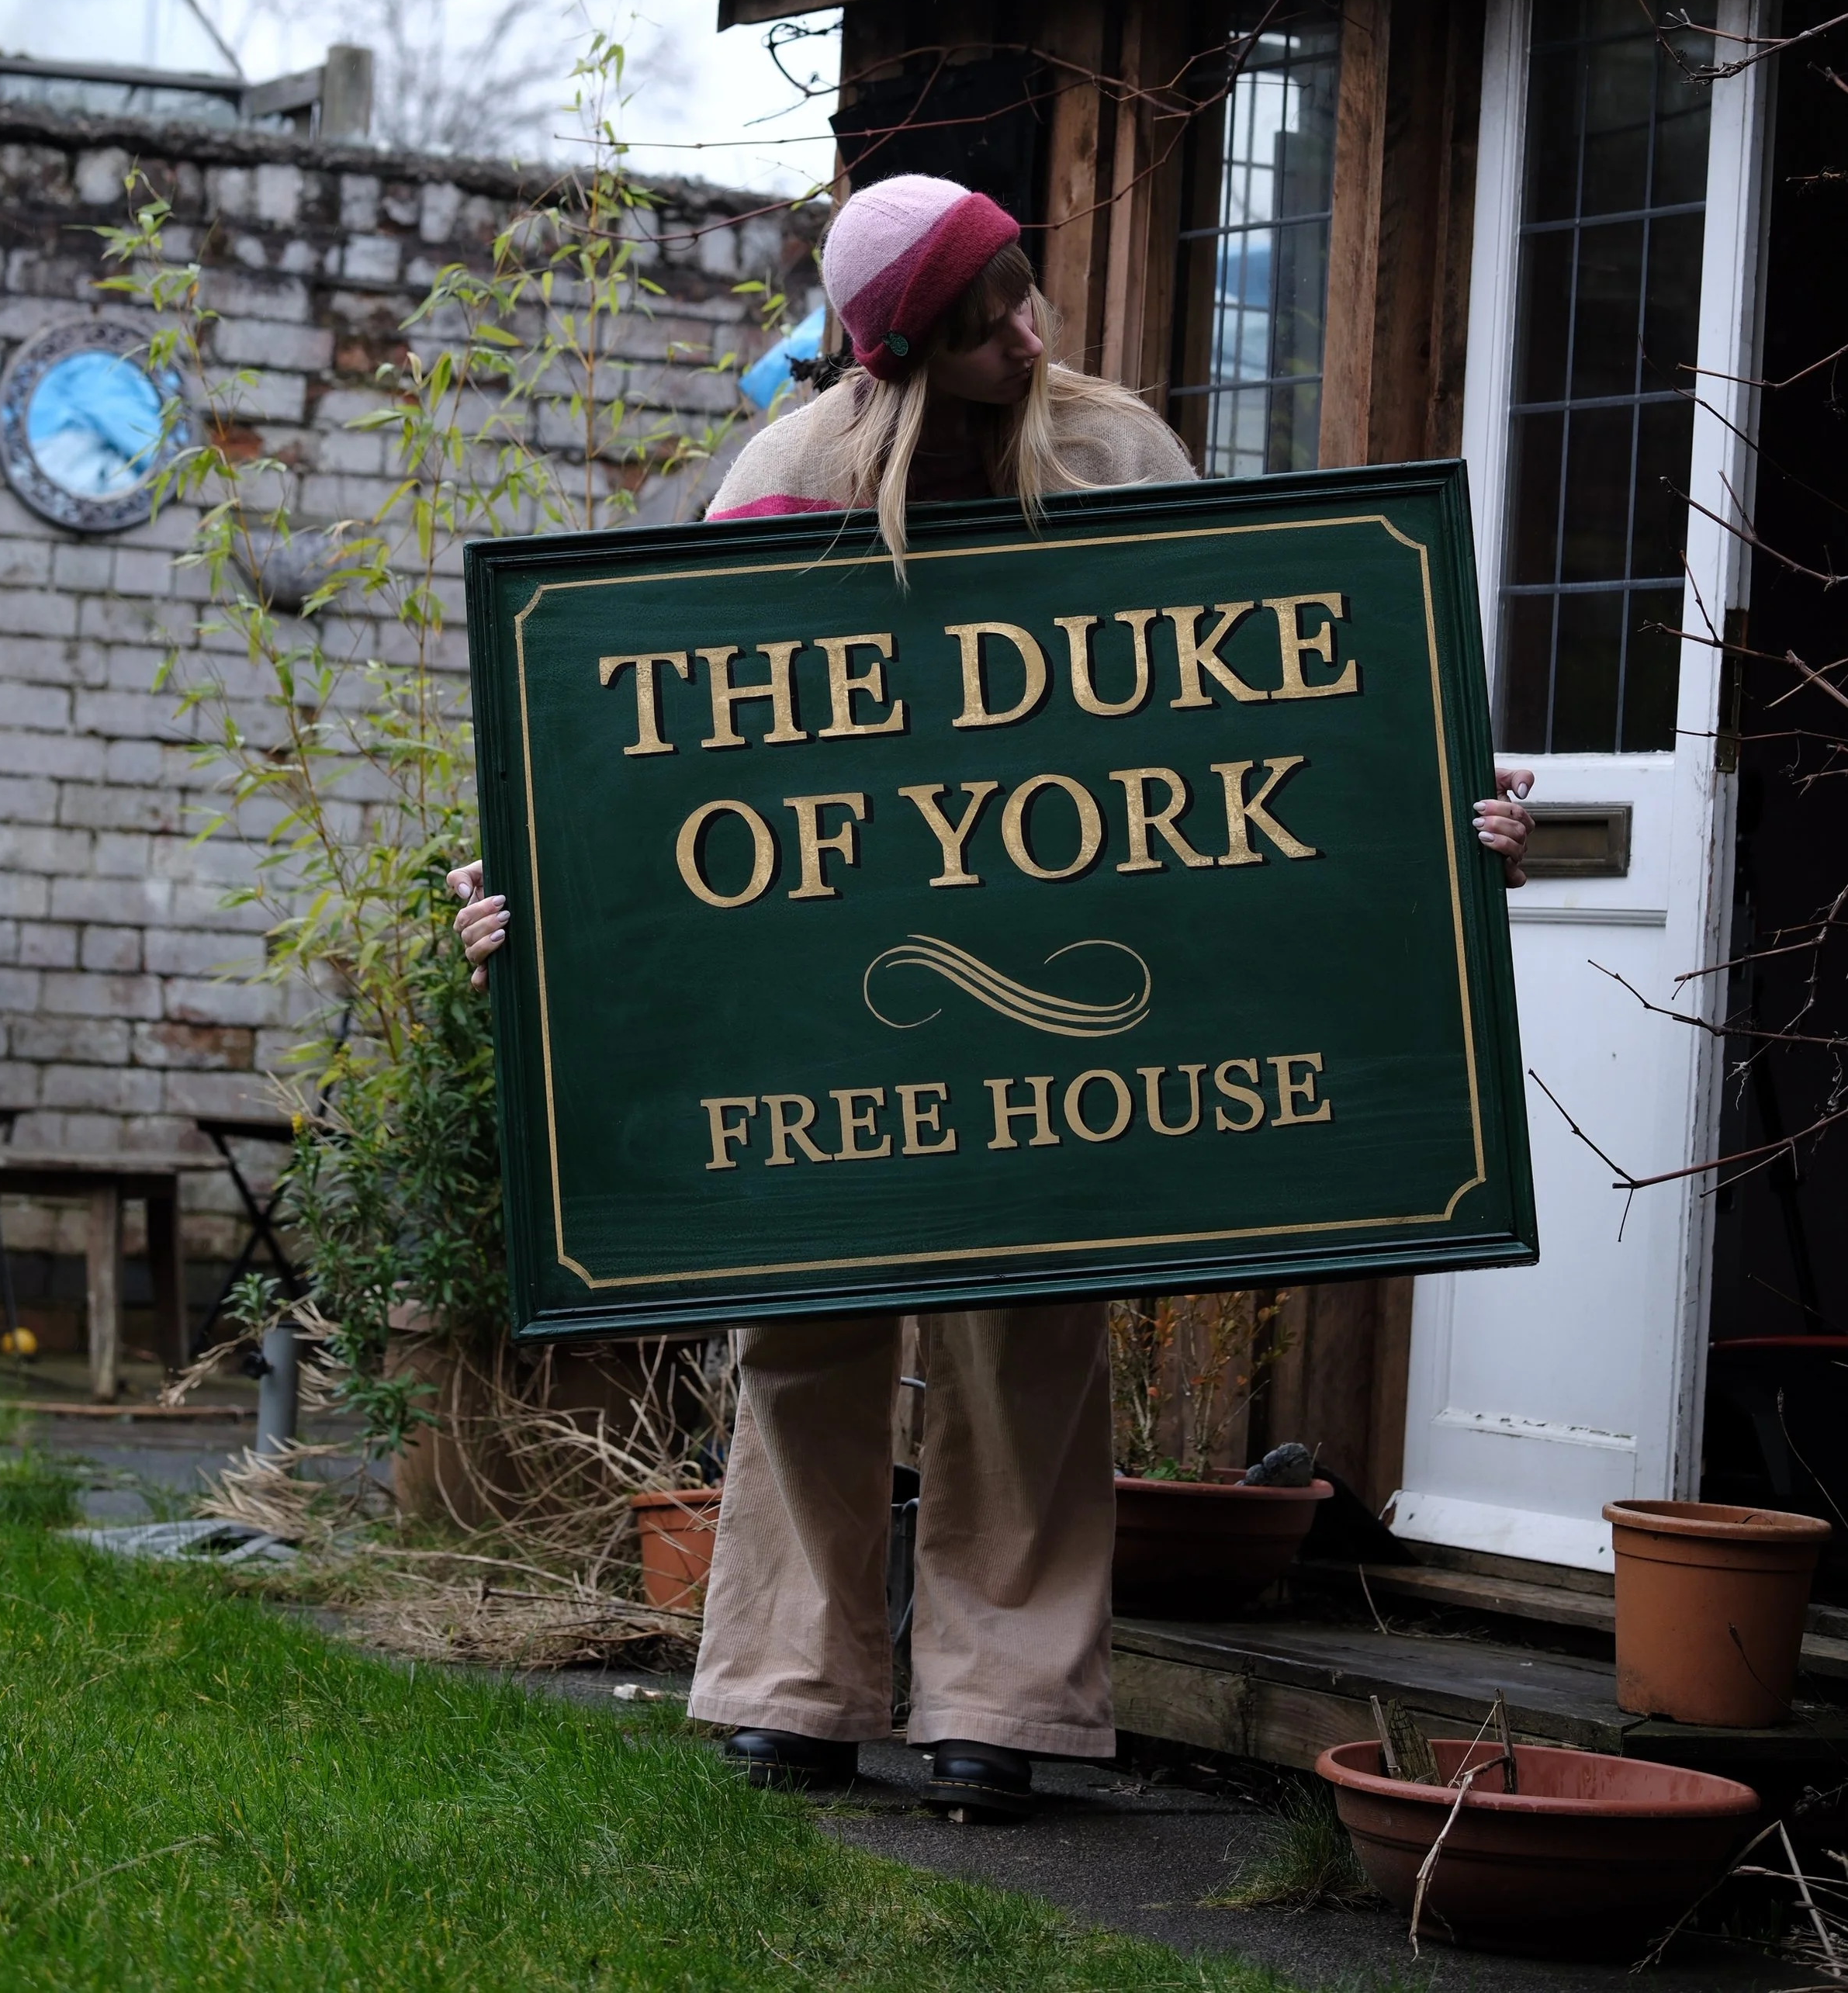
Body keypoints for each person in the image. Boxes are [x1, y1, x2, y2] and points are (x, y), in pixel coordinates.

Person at [448, 173, 1536, 1819]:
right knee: (806, 1322)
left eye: (1025, 290)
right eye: (982, 322)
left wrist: (1435, 823)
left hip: (1071, 966)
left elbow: (1241, 726)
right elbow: (662, 775)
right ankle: (791, 1681)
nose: (1027, 333)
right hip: (826, 982)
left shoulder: (1114, 456)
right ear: (893, 355)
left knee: (1031, 1327)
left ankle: (1007, 1706)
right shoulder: (781, 484)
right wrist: (536, 907)